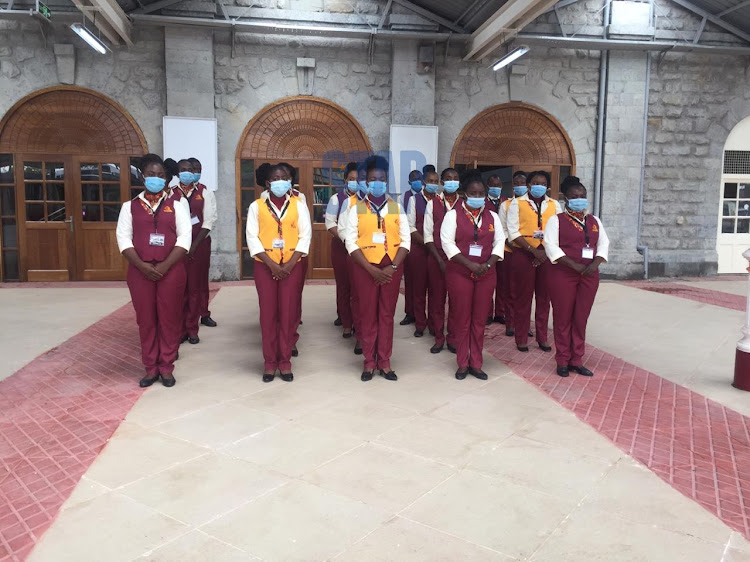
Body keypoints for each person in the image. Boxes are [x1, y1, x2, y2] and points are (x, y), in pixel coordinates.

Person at [116, 154, 191, 388]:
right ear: (142, 176)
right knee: (146, 320)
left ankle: (166, 367)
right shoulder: (129, 207)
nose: (155, 178)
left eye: (160, 175)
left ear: (167, 179)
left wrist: (164, 266)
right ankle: (150, 367)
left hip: (172, 271)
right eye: (150, 174)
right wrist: (143, 266)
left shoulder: (178, 205)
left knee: (169, 319)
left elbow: (185, 238)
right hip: (140, 273)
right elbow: (123, 239)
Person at [345, 156, 410, 381]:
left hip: (391, 267)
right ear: (366, 182)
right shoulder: (356, 209)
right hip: (365, 268)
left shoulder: (397, 208)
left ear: (387, 182)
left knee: (386, 315)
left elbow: (405, 241)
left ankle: (384, 361)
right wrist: (371, 269)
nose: (377, 183)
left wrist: (392, 267)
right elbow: (350, 242)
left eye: (381, 179)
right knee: (367, 315)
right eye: (372, 179)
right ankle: (369, 362)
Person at [246, 164, 311, 383]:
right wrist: (272, 265)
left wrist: (290, 264)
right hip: (265, 266)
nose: (280, 181)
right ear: (268, 183)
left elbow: (305, 236)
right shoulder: (256, 206)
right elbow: (252, 238)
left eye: (284, 177)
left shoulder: (299, 205)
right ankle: (269, 363)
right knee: (268, 315)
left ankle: (284, 362)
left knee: (288, 314)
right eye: (275, 178)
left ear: (290, 181)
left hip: (292, 265)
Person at [441, 171, 506, 380]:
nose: (477, 196)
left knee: (479, 320)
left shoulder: (492, 216)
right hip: (460, 272)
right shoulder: (453, 215)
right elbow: (447, 243)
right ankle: (462, 362)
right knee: (462, 318)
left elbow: (499, 242)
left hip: (486, 273)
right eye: (473, 193)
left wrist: (488, 264)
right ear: (465, 194)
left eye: (480, 193)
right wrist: (470, 264)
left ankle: (476, 363)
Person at [545, 177, 609, 377]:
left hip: (589, 274)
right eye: (574, 197)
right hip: (564, 274)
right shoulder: (556, 220)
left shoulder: (593, 221)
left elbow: (604, 244)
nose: (579, 200)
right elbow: (550, 246)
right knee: (563, 317)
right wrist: (574, 265)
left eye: (582, 196)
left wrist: (595, 263)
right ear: (566, 198)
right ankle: (562, 359)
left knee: (581, 318)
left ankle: (577, 359)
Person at [506, 170, 562, 353]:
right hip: (524, 254)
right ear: (529, 185)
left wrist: (544, 252)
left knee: (544, 298)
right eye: (536, 183)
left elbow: (559, 231)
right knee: (523, 298)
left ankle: (543, 337)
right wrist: (532, 251)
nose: (539, 186)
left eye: (543, 183)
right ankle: (521, 338)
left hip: (546, 255)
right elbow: (513, 232)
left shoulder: (554, 205)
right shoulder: (517, 203)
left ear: (547, 186)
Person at [424, 167, 461, 354]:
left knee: (455, 301)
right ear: (442, 182)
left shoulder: (464, 203)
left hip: (458, 261)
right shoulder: (433, 203)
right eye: (448, 178)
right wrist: (439, 259)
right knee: (437, 299)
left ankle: (453, 337)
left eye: (455, 178)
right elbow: (428, 234)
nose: (452, 181)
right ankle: (439, 337)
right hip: (437, 258)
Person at [325, 162, 358, 339]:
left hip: (362, 249)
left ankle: (358, 322)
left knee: (358, 287)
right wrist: (347, 239)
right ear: (345, 180)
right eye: (351, 179)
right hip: (341, 247)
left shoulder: (366, 199)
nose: (354, 182)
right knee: (344, 285)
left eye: (358, 179)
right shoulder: (336, 199)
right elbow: (330, 223)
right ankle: (346, 323)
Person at [188, 157, 218, 329]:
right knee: (185, 282)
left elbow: (210, 220)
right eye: (192, 169)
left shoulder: (205, 192)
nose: (195, 172)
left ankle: (204, 313)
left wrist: (194, 245)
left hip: (200, 243)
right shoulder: (173, 192)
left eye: (198, 169)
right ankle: (186, 314)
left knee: (200, 280)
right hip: (179, 245)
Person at [406, 170, 437, 337]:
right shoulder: (413, 200)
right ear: (424, 182)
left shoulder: (440, 201)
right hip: (419, 250)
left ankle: (434, 323)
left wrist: (434, 247)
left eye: (436, 181)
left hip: (436, 253)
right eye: (430, 181)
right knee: (418, 289)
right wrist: (427, 243)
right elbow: (410, 227)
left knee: (435, 290)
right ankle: (420, 323)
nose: (433, 184)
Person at [498, 170, 527, 337]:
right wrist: (516, 246)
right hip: (510, 251)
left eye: (522, 183)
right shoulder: (506, 205)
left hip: (530, 253)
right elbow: (503, 229)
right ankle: (510, 323)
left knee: (525, 291)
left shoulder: (535, 205)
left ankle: (522, 324)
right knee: (510, 288)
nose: (519, 186)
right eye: (516, 183)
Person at [399, 169, 423, 326]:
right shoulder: (403, 198)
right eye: (413, 179)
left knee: (425, 283)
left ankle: (423, 314)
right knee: (411, 281)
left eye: (419, 178)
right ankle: (410, 312)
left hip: (431, 244)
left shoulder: (432, 197)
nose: (417, 181)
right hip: (411, 244)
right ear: (409, 182)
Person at [486, 174, 506, 326]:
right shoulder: (482, 201)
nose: (496, 188)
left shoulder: (506, 202)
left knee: (503, 282)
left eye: (498, 185)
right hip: (487, 247)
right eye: (493, 185)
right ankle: (487, 313)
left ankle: (501, 312)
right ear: (488, 186)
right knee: (487, 282)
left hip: (505, 247)